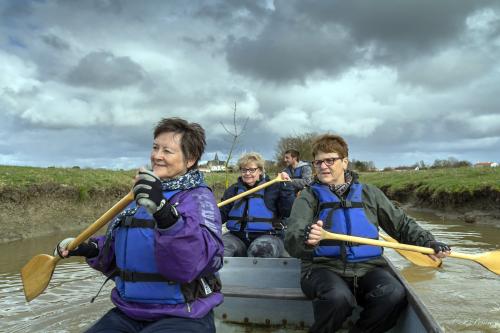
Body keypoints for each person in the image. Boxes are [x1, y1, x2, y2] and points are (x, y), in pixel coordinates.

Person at [54, 118, 224, 333]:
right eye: (155, 148)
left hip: (183, 314)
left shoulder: (199, 199)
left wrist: (163, 212)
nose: (157, 156)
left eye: (167, 151)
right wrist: (89, 249)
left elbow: (193, 263)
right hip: (129, 312)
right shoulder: (140, 196)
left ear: (190, 159)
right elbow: (122, 252)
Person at [285, 134, 450, 333]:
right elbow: (293, 235)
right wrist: (307, 239)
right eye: (318, 162)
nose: (323, 166)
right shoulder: (308, 197)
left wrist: (428, 242)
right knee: (338, 299)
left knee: (393, 294)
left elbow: (402, 225)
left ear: (344, 162)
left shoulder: (370, 194)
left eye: (330, 160)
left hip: (368, 267)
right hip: (322, 267)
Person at [220, 152, 294, 258]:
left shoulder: (273, 188)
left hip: (268, 236)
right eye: (244, 170)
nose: (247, 173)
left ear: (260, 170)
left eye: (252, 169)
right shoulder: (233, 190)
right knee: (220, 249)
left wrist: (286, 187)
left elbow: (288, 211)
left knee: (260, 251)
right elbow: (221, 214)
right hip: (237, 236)